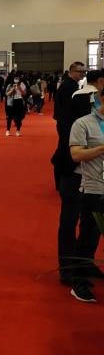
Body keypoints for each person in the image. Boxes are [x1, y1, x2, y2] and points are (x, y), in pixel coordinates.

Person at [55, 70, 99, 291]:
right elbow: (65, 134)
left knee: (92, 223)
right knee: (71, 220)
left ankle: (84, 264)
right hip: (75, 171)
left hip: (94, 175)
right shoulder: (81, 102)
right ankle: (69, 269)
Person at [66, 87, 104, 302]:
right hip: (93, 189)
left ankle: (88, 267)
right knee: (88, 236)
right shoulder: (83, 124)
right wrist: (101, 149)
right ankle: (77, 281)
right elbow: (76, 154)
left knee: (96, 236)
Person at [53, 62, 87, 189]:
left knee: (63, 150)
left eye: (84, 72)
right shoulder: (69, 86)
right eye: (80, 71)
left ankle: (60, 181)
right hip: (67, 124)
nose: (83, 74)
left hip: (65, 122)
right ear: (72, 71)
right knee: (65, 152)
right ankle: (62, 182)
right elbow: (68, 108)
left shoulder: (70, 84)